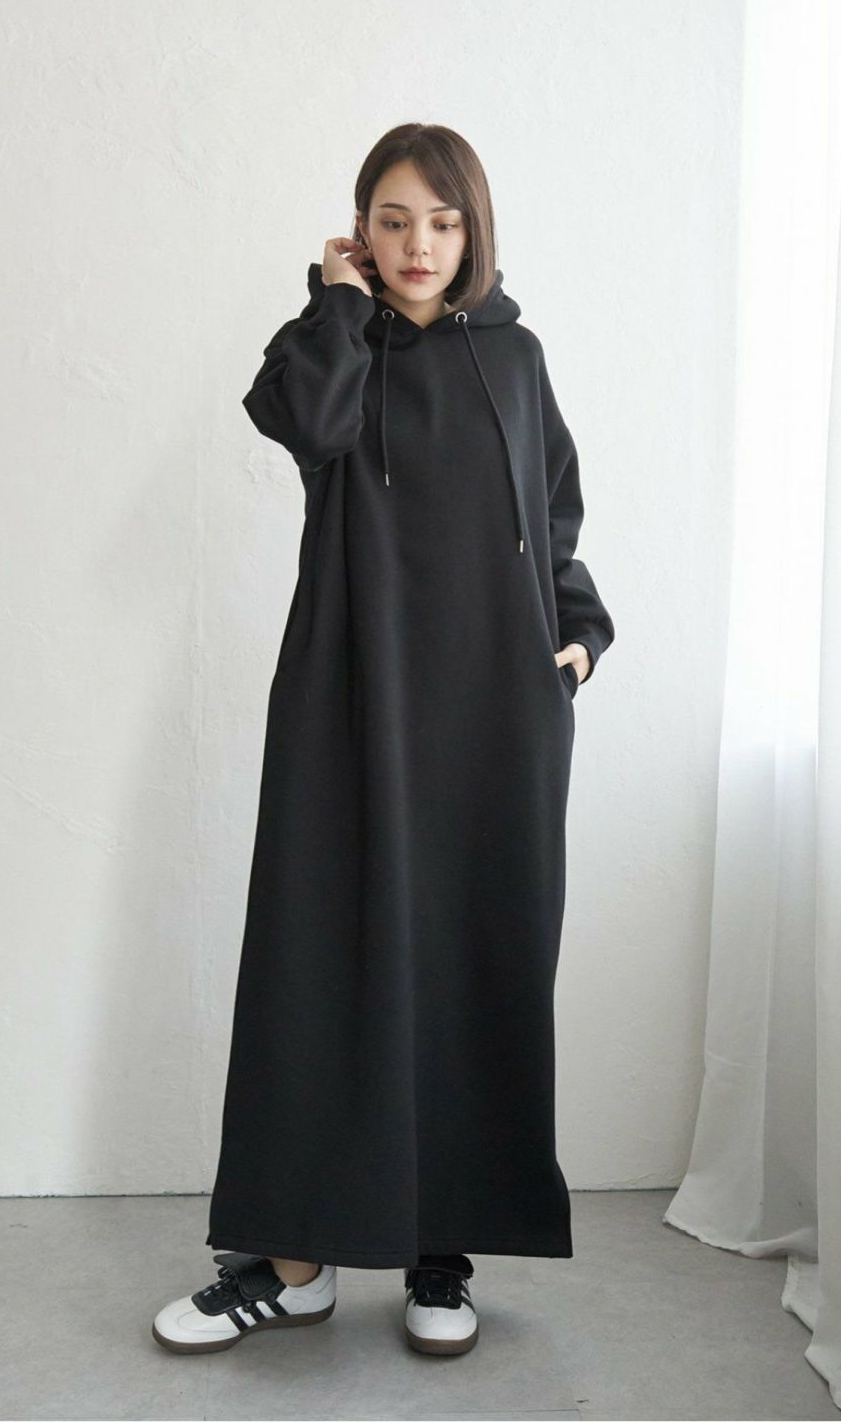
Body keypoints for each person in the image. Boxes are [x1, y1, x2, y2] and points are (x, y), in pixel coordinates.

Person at [152, 122, 615, 1357]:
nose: (420, 246)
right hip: (348, 704)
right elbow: (307, 424)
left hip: (493, 722)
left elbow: (553, 518)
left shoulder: (514, 358)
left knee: (469, 964)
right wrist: (336, 301)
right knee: (317, 963)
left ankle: (440, 1257)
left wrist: (575, 641)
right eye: (394, 221)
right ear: (361, 230)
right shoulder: (334, 349)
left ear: (474, 231)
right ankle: (293, 1261)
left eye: (443, 222)